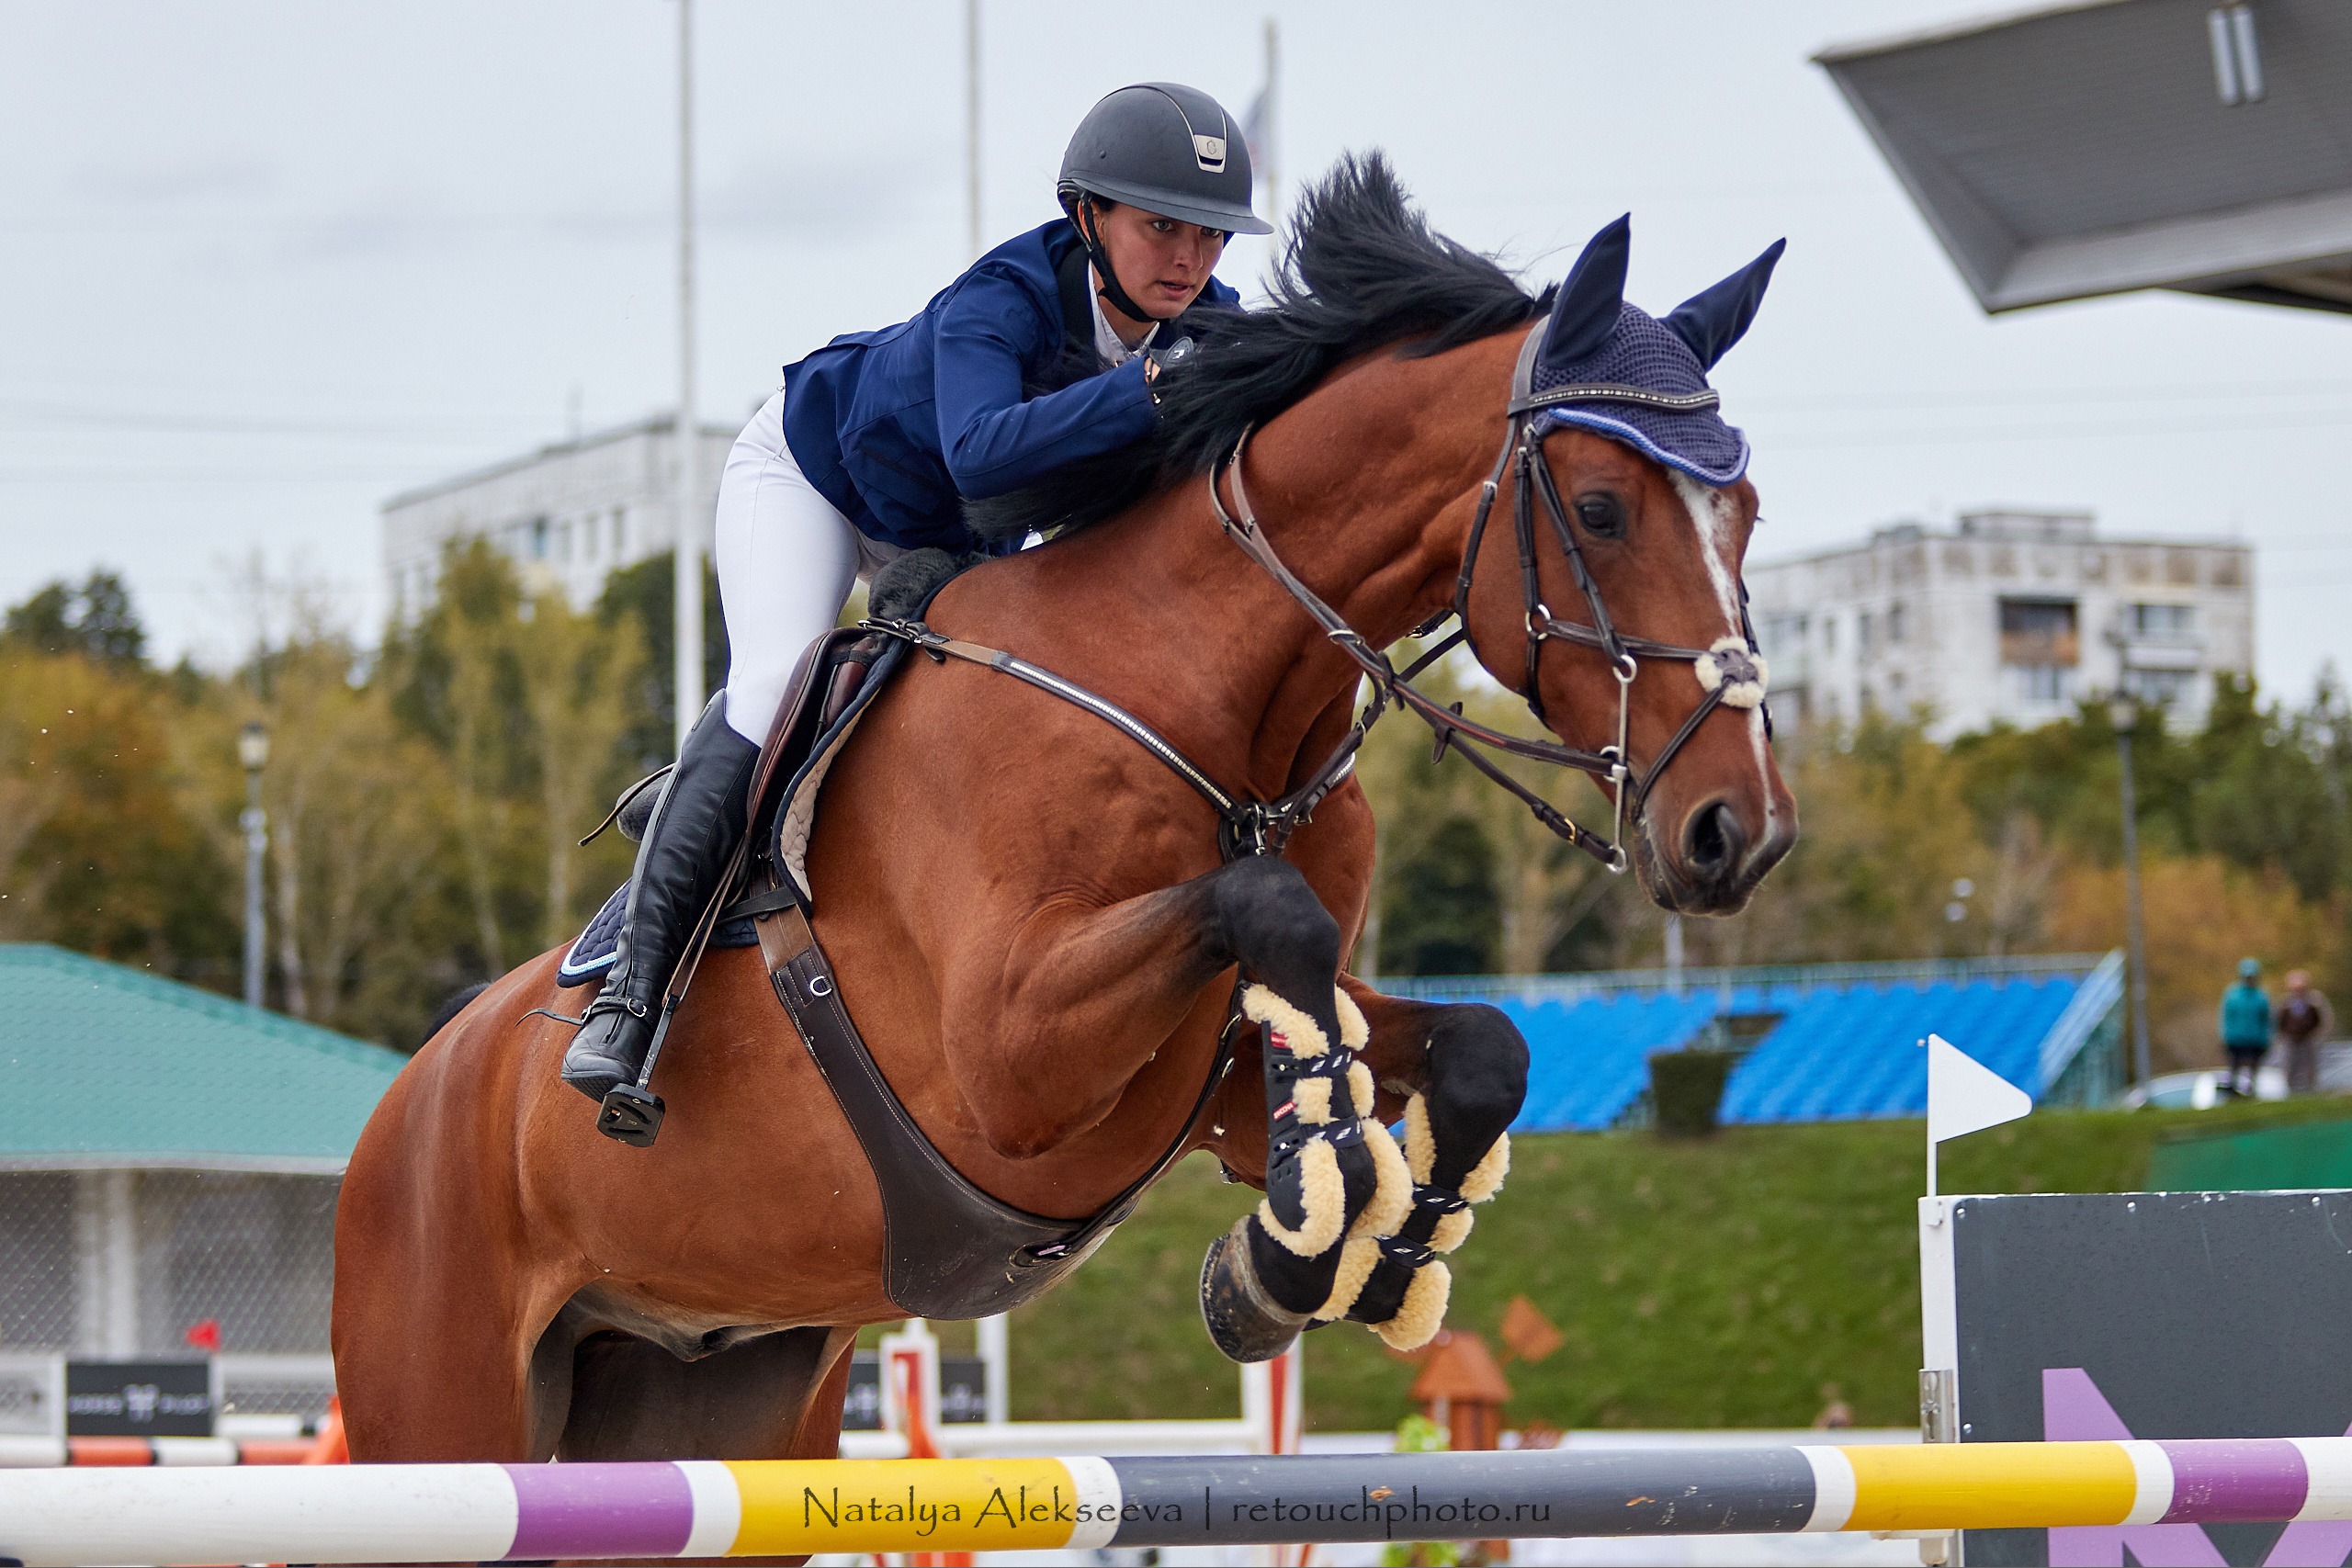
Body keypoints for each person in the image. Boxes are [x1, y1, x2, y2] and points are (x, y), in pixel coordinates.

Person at [562, 84, 1269, 1114]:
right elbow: (980, 455)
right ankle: (628, 999)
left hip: (949, 541)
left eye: (1209, 236)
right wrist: (1150, 389)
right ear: (1087, 218)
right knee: (773, 686)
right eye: (1161, 227)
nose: (1189, 260)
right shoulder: (1006, 299)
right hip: (813, 478)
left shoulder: (1211, 324)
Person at [2218, 957, 2272, 1099]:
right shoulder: (2232, 994)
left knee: (2253, 1066)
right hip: (2236, 1038)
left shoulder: (2261, 996)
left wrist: (2267, 1037)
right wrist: (2225, 1036)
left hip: (2255, 1039)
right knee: (2235, 1065)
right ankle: (2233, 1090)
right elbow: (2226, 1016)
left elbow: (2266, 1019)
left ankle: (2251, 1090)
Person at [2276, 969, 2335, 1096]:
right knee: (2291, 1067)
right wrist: (2283, 1038)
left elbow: (2325, 1021)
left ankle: (2310, 1092)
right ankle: (2290, 1092)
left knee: (2309, 1068)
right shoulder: (2285, 1003)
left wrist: (2319, 1037)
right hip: (2291, 1040)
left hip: (2309, 1039)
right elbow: (2278, 1022)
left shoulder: (2315, 1001)